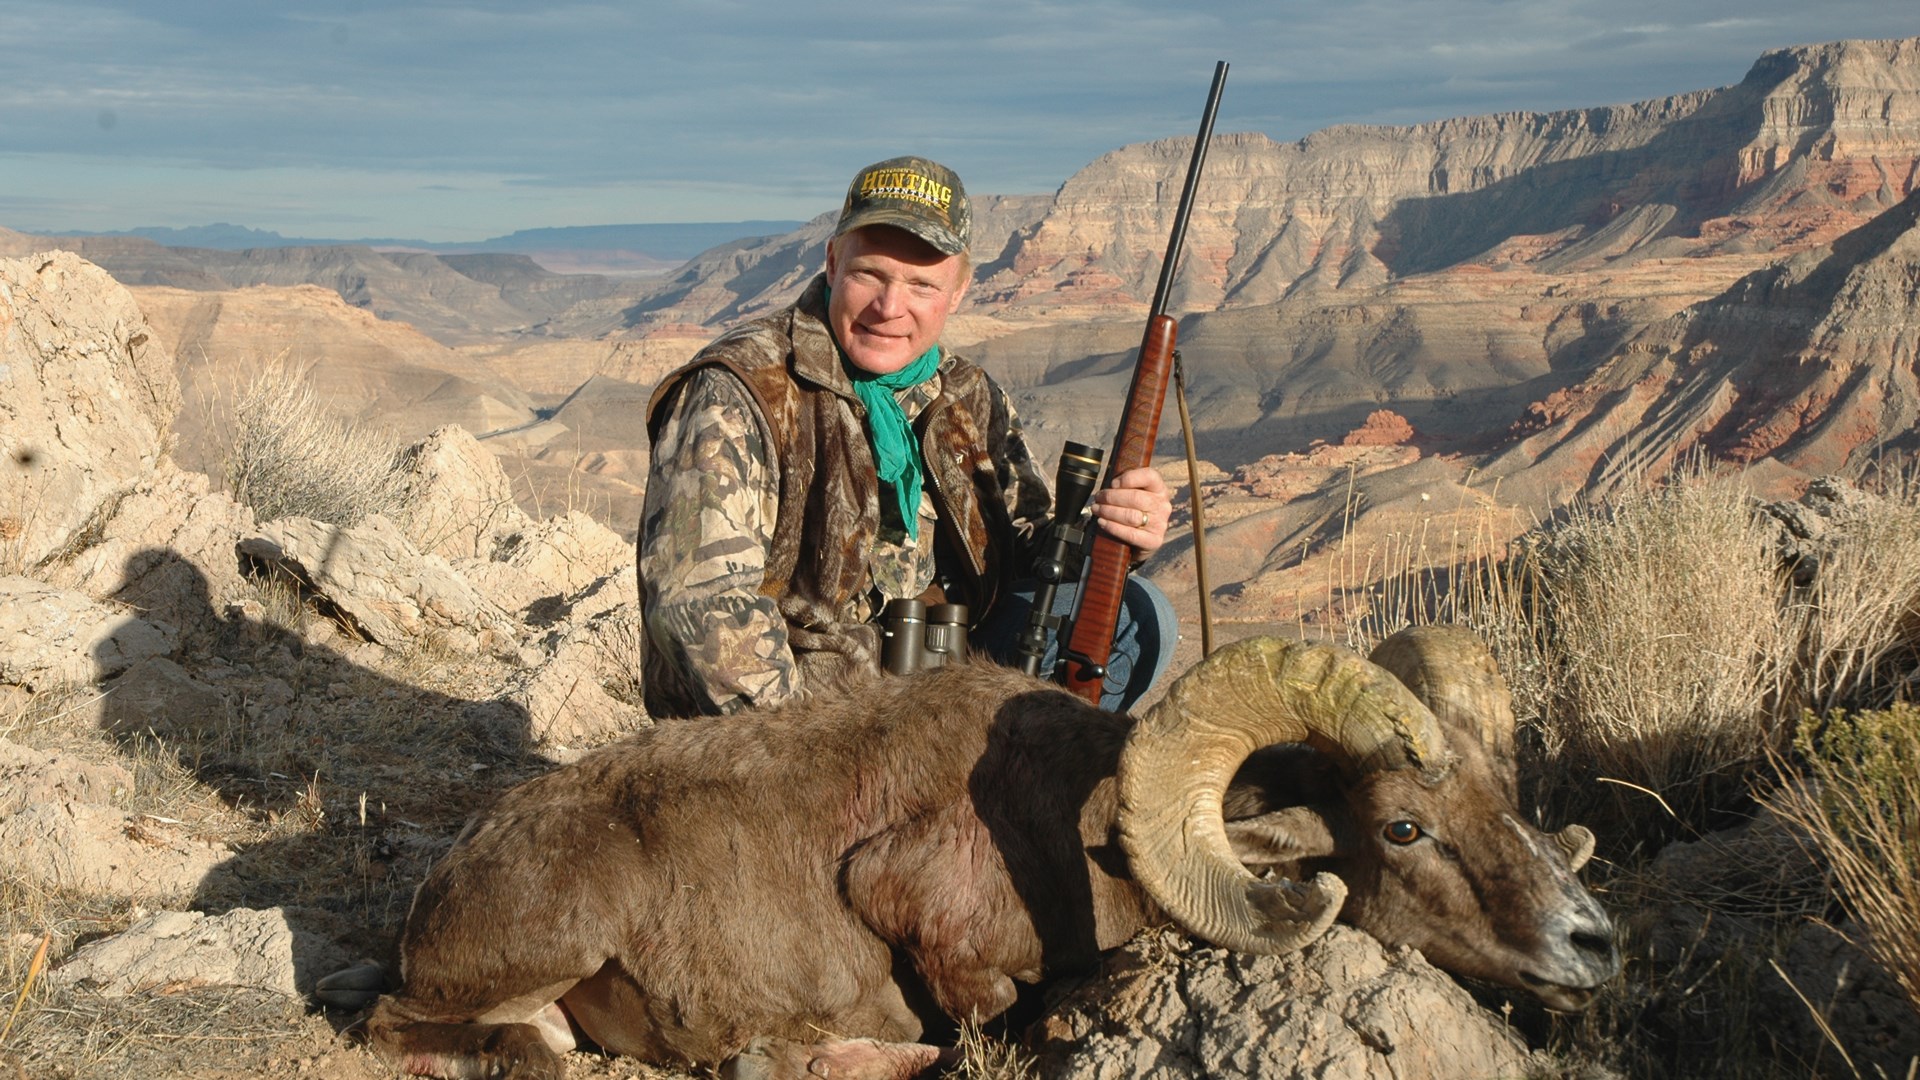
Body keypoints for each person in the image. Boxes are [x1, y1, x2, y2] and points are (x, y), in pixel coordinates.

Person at [637, 155, 1176, 719]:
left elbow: (1027, 556)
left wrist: (1113, 540)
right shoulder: (740, 389)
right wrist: (814, 767)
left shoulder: (967, 394)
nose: (889, 308)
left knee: (1140, 615)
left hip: (931, 698)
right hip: (804, 722)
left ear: (960, 291)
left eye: (922, 284)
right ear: (832, 262)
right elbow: (700, 606)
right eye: (870, 274)